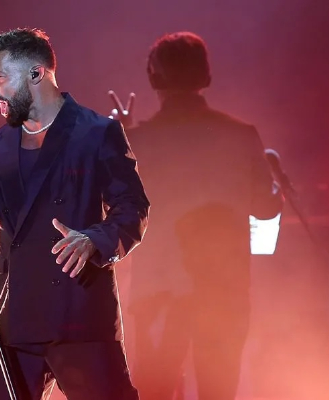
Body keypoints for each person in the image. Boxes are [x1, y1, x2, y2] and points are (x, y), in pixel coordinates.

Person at [0, 28, 150, 400]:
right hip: (13, 320)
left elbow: (132, 207)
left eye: (0, 77)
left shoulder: (96, 133)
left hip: (78, 318)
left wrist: (94, 240)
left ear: (37, 74)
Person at [108, 32, 284, 400]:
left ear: (154, 78)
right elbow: (265, 210)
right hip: (222, 290)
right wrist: (278, 184)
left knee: (154, 390)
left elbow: (109, 208)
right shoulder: (240, 135)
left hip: (158, 291)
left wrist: (122, 136)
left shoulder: (136, 142)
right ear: (205, 75)